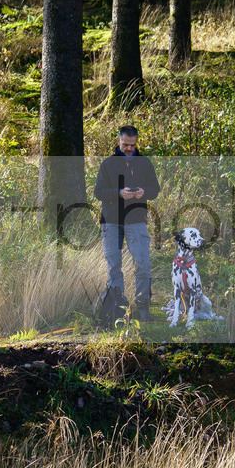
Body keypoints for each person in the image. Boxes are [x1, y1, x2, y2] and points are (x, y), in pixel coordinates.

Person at [93, 125, 160, 321]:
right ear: (118, 141)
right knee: (114, 266)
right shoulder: (108, 164)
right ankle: (118, 308)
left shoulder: (145, 163)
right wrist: (118, 193)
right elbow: (98, 192)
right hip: (111, 221)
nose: (129, 148)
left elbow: (154, 189)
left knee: (143, 264)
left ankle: (143, 306)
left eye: (132, 145)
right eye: (125, 145)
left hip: (136, 219)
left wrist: (144, 192)